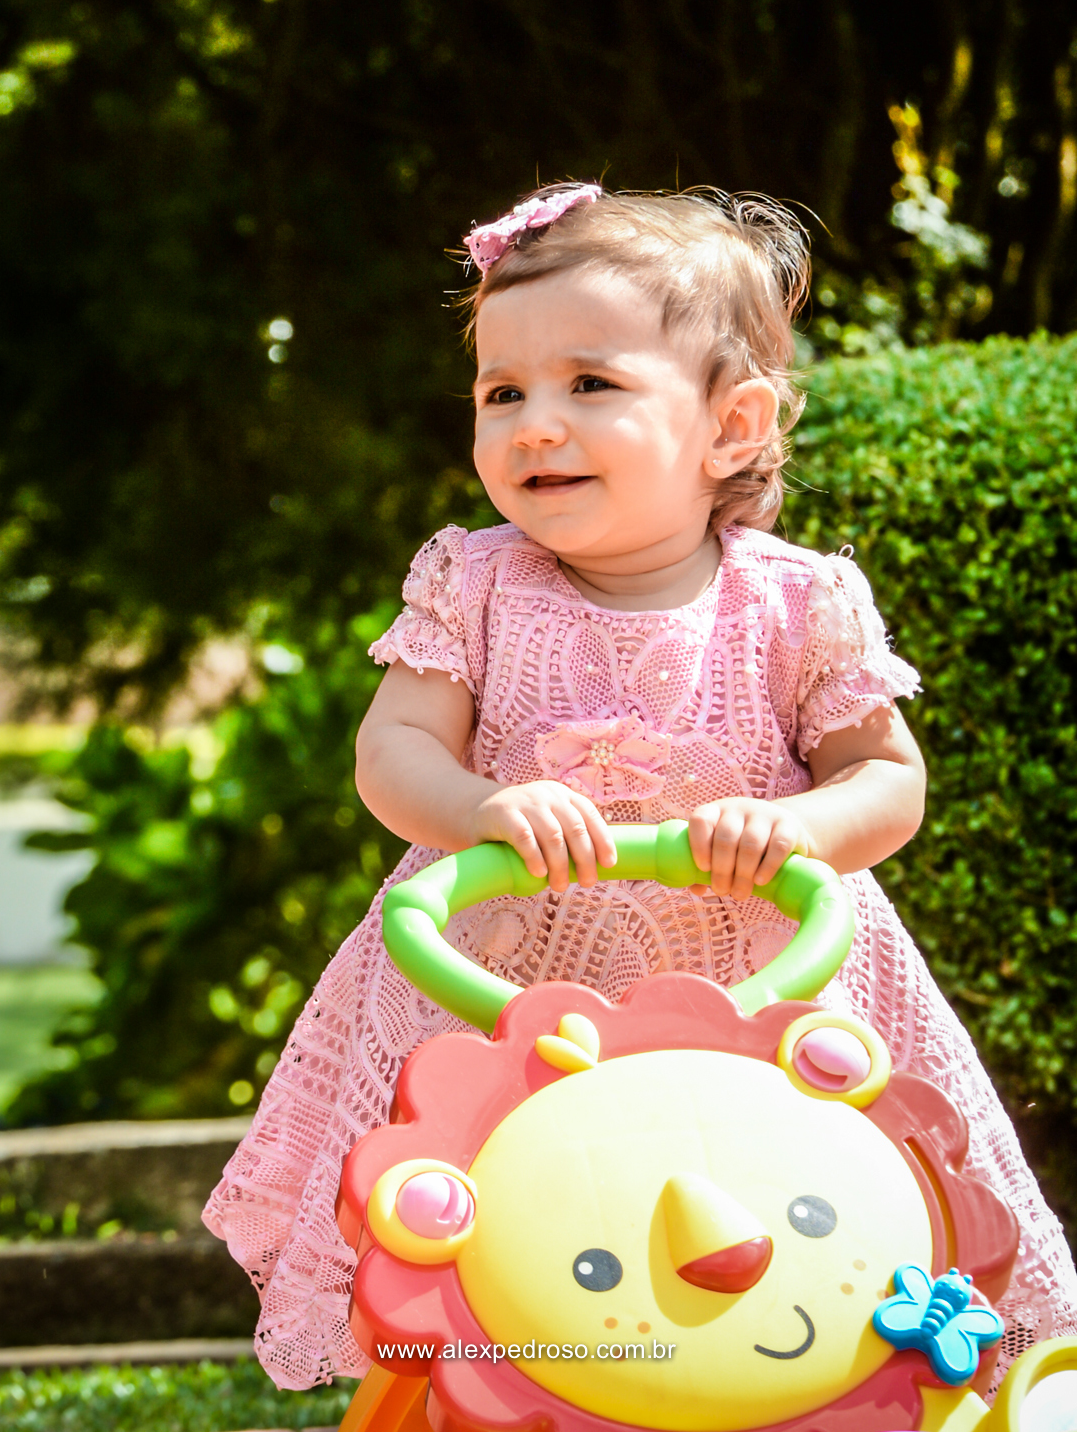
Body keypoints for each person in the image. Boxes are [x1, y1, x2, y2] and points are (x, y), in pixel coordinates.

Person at [204, 183, 1077, 1391]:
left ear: (730, 424)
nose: (534, 425)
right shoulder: (473, 584)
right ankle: (490, 1388)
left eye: (588, 383)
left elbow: (884, 779)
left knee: (773, 1221)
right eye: (501, 393)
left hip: (757, 981)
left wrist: (789, 827)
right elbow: (391, 750)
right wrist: (479, 808)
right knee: (504, 1230)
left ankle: (799, 1381)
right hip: (505, 979)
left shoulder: (794, 600)